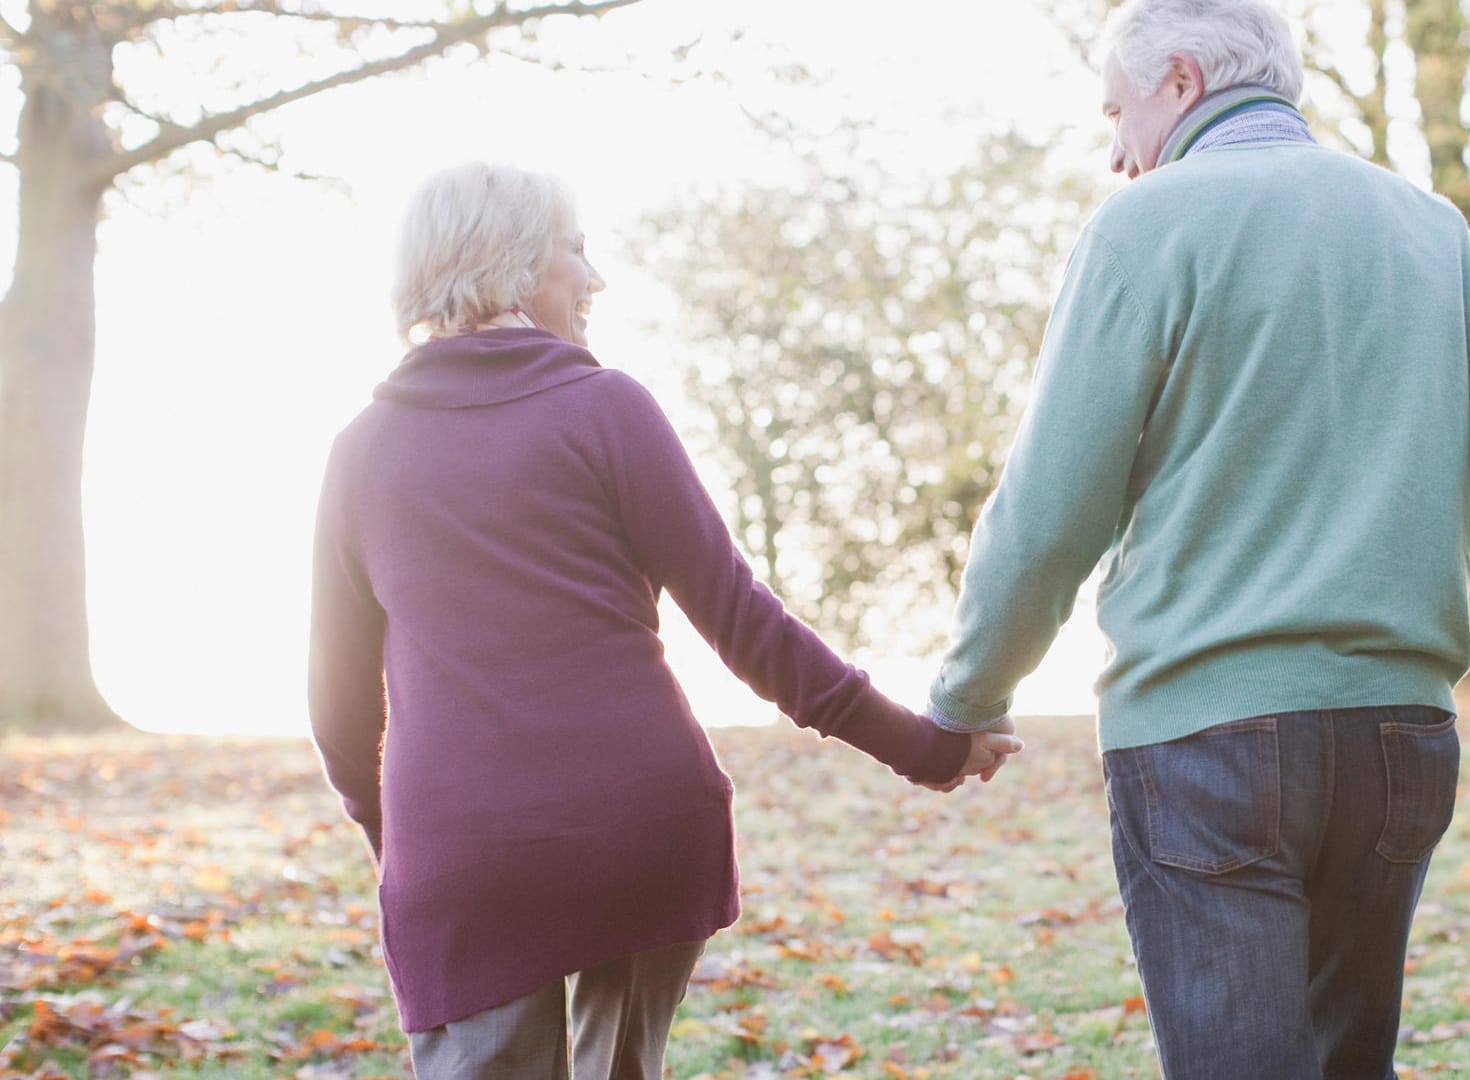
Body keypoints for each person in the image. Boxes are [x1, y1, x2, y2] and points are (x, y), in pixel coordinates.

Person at [924, 1, 1470, 1076]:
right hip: (1398, 743)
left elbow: (1049, 506)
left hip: (1204, 740)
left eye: (1118, 111)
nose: (1116, 151)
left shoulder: (1145, 225)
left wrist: (966, 701)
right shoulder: (1435, 232)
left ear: (1185, 82)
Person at [308, 162, 1020, 1080]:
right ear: (513, 265)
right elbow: (743, 623)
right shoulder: (608, 409)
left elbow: (337, 710)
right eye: (575, 250)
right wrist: (921, 749)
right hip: (641, 829)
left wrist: (399, 841)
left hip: (468, 857)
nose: (594, 278)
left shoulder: (361, 454)